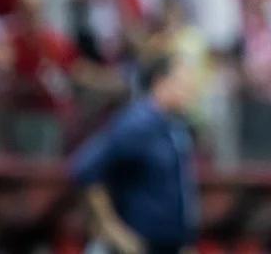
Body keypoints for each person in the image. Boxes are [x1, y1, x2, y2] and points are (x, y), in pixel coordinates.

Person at [71, 53, 199, 254]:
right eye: (182, 81)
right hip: (139, 245)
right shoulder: (137, 124)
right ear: (161, 81)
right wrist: (112, 229)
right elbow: (86, 169)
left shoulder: (172, 125)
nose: (190, 89)